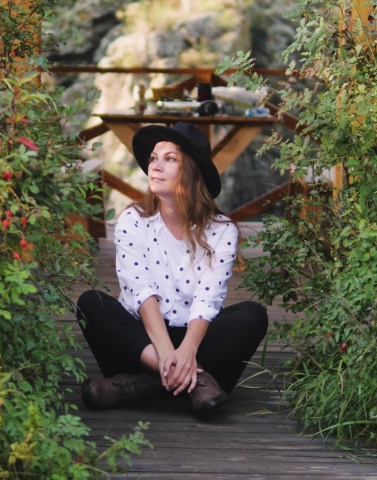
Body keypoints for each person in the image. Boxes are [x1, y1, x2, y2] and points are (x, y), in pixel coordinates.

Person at [76, 122, 268, 420]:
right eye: (153, 158)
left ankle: (131, 387)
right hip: (143, 343)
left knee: (252, 316)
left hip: (198, 343)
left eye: (170, 159)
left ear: (191, 171)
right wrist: (166, 354)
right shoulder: (132, 221)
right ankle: (198, 383)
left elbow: (208, 299)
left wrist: (187, 351)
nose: (155, 166)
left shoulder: (222, 230)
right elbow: (141, 292)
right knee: (91, 304)